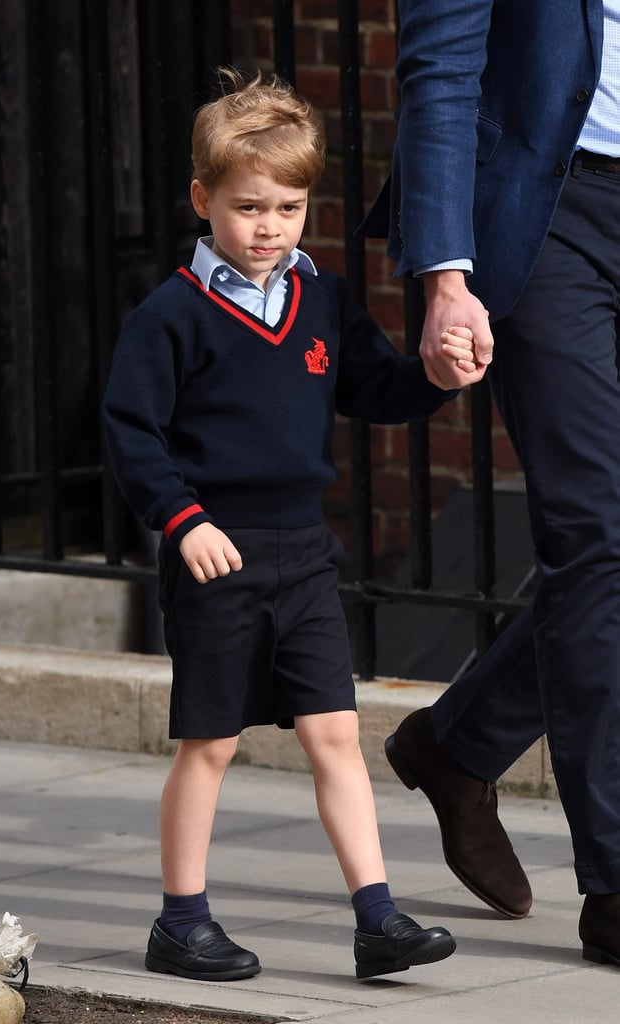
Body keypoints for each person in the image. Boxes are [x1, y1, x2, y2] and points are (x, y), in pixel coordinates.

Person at [102, 68, 475, 982]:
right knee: (212, 743)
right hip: (215, 555)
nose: (269, 228)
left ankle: (378, 918)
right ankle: (179, 922)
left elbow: (372, 389)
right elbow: (129, 431)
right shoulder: (170, 317)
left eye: (291, 208)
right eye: (248, 207)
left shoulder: (323, 299)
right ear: (203, 200)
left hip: (305, 554)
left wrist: (434, 376)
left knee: (335, 734)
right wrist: (181, 521)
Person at [361, 0, 620, 967]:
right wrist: (442, 276)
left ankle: (457, 744)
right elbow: (442, 73)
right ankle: (613, 880)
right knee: (595, 534)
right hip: (549, 218)